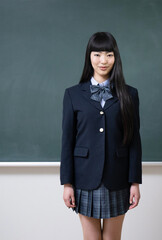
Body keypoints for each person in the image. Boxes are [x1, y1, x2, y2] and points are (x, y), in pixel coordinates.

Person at [60, 32, 142, 240]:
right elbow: (67, 140)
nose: (103, 61)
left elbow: (134, 141)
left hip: (118, 178)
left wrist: (135, 182)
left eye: (109, 54)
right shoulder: (73, 94)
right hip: (84, 178)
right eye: (97, 54)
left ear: (116, 58)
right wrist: (67, 183)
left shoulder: (129, 95)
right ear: (89, 57)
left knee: (112, 239)